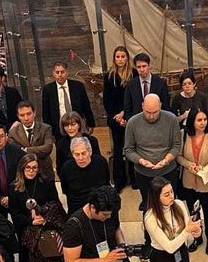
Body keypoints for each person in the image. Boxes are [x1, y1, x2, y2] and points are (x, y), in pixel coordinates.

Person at [9, 154, 67, 262]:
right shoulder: (14, 187)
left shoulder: (46, 182)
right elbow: (14, 212)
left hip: (46, 223)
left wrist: (44, 216)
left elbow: (56, 204)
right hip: (26, 226)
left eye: (34, 168)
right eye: (28, 167)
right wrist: (31, 220)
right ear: (22, 169)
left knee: (48, 244)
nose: (31, 171)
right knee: (34, 246)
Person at [124, 93, 182, 223]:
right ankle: (149, 238)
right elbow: (128, 149)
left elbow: (177, 146)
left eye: (155, 112)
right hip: (144, 173)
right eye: (147, 112)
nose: (151, 116)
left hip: (167, 171)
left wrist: (166, 160)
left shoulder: (171, 119)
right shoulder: (133, 122)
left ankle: (173, 235)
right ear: (142, 106)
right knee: (148, 206)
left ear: (160, 106)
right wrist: (141, 161)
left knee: (170, 205)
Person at [177, 106, 208, 255]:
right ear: (192, 121)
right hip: (189, 181)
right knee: (193, 212)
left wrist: (206, 169)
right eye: (199, 120)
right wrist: (190, 165)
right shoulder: (183, 134)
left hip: (207, 182)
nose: (203, 123)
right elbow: (179, 157)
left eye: (204, 119)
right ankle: (197, 237)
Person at [103, 45, 134, 191]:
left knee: (133, 148)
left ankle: (134, 179)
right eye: (117, 57)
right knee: (117, 149)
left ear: (127, 57)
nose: (120, 59)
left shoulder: (133, 74)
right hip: (115, 118)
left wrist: (125, 114)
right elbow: (107, 100)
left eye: (123, 56)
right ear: (114, 58)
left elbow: (134, 97)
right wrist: (117, 116)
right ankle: (119, 180)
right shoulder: (109, 76)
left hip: (130, 117)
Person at [60, 136, 111, 217]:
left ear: (90, 152)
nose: (80, 158)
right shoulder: (66, 168)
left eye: (83, 153)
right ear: (72, 154)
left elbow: (106, 183)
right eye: (76, 154)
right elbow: (66, 190)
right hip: (77, 207)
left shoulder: (101, 162)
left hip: (100, 204)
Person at [42, 60, 95, 139]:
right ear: (53, 74)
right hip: (59, 128)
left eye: (62, 72)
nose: (60, 75)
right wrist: (49, 130)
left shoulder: (78, 86)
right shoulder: (48, 89)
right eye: (57, 72)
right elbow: (46, 112)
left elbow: (86, 106)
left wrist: (91, 123)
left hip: (77, 125)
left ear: (67, 72)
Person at [8, 101, 55, 180]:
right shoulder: (13, 132)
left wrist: (26, 149)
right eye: (22, 115)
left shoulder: (46, 128)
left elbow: (48, 148)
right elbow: (17, 153)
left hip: (45, 172)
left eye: (29, 114)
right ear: (18, 116)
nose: (26, 118)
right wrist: (38, 149)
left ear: (34, 113)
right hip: (25, 174)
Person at [122, 52, 170, 121]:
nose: (141, 69)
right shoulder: (130, 85)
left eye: (144, 66)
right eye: (139, 67)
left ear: (149, 66)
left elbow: (166, 107)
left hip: (157, 123)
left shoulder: (160, 83)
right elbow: (127, 109)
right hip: (137, 124)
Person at [55, 111, 101, 175]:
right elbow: (60, 168)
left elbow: (98, 162)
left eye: (73, 125)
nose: (70, 128)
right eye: (66, 126)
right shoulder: (61, 144)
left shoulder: (92, 141)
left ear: (79, 125)